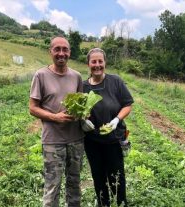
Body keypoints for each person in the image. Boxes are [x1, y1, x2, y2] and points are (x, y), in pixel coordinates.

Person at [29, 36, 85, 207]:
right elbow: (32, 108)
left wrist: (81, 113)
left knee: (74, 184)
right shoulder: (41, 75)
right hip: (53, 141)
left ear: (69, 52)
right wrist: (55, 117)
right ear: (50, 52)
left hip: (76, 140)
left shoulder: (77, 76)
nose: (61, 53)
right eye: (57, 49)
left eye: (65, 49)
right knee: (52, 186)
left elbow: (82, 104)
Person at [81, 48, 134, 207]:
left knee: (116, 175)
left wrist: (117, 119)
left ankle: (121, 202)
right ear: (88, 64)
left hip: (113, 139)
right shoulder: (83, 86)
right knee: (98, 175)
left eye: (100, 61)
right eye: (93, 62)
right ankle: (103, 203)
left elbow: (128, 104)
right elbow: (79, 109)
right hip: (92, 141)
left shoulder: (115, 81)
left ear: (105, 63)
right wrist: (82, 120)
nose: (97, 65)